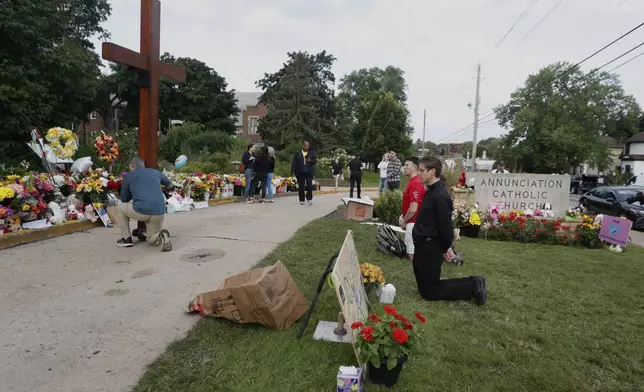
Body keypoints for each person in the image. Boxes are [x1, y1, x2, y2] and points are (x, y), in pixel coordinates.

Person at [412, 155, 486, 305]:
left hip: (430, 246)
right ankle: (473, 281)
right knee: (426, 289)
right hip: (423, 245)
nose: (418, 173)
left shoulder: (439, 194)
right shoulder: (432, 190)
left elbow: (445, 225)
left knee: (431, 293)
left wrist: (445, 247)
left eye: (421, 170)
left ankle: (473, 285)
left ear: (432, 171)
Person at [117, 157, 172, 252]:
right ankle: (161, 235)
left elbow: (124, 199)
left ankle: (125, 239)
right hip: (159, 211)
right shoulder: (155, 172)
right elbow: (168, 183)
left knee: (120, 207)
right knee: (151, 239)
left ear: (132, 167)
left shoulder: (128, 176)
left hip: (142, 211)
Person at [398, 157, 426, 261]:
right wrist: (403, 216)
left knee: (411, 255)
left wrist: (404, 221)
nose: (404, 167)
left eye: (407, 165)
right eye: (404, 165)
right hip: (412, 221)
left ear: (414, 167)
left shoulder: (415, 183)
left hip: (413, 222)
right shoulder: (414, 181)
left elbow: (413, 208)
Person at [291, 140, 317, 205]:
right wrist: (292, 171)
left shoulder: (311, 153)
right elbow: (294, 162)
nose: (307, 147)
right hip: (301, 172)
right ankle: (301, 199)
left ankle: (309, 198)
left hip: (309, 172)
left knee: (309, 186)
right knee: (301, 187)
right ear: (303, 145)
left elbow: (315, 161)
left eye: (308, 145)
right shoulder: (298, 153)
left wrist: (310, 161)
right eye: (305, 145)